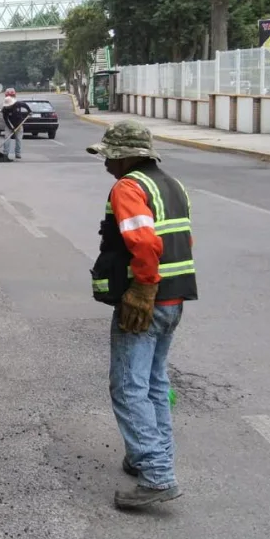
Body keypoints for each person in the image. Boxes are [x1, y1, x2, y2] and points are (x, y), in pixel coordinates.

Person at [87, 121, 198, 511]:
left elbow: (145, 242)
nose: (106, 164)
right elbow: (181, 240)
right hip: (174, 301)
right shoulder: (171, 184)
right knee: (153, 384)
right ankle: (146, 459)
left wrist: (143, 288)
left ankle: (157, 475)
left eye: (111, 156)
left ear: (130, 156)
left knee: (128, 387)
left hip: (146, 302)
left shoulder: (129, 186)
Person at [1, 87, 31, 161]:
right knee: (7, 139)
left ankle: (18, 153)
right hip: (9, 125)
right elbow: (6, 120)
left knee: (19, 139)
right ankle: (5, 154)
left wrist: (29, 111)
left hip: (19, 124)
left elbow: (25, 105)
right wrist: (11, 128)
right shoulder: (4, 109)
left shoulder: (18, 104)